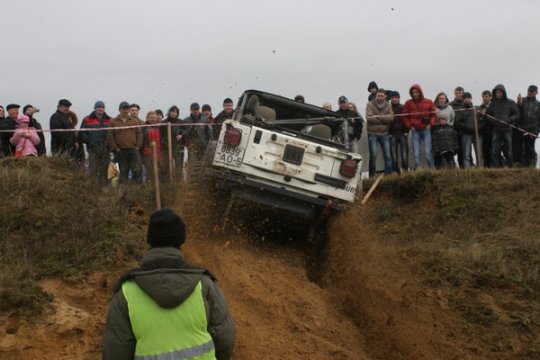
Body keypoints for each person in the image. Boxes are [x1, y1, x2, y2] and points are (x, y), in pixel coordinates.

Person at [102, 208, 235, 360]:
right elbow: (225, 339)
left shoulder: (126, 292)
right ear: (180, 240)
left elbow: (115, 351)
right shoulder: (204, 284)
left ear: (151, 240)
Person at [108, 101, 143, 183]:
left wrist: (138, 146)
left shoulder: (134, 121)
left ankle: (136, 190)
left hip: (133, 150)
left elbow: (139, 134)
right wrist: (116, 148)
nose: (126, 111)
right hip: (121, 151)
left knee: (137, 171)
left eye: (127, 109)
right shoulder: (113, 121)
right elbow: (110, 136)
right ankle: (124, 191)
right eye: (124, 109)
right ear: (120, 110)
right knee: (123, 172)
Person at [402, 84, 436, 169]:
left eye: (416, 92)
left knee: (428, 152)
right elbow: (404, 116)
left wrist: (431, 124)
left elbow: (433, 115)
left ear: (420, 92)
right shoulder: (408, 103)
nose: (415, 94)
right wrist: (409, 126)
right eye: (413, 92)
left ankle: (432, 169)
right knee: (416, 153)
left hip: (426, 130)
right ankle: (418, 171)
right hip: (415, 131)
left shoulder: (428, 101)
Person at [487, 84, 520, 167]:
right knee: (495, 150)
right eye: (497, 92)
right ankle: (496, 168)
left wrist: (509, 120)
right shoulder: (492, 104)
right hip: (496, 130)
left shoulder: (511, 102)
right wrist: (494, 121)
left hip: (507, 129)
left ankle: (510, 166)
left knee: (508, 150)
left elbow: (517, 114)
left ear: (504, 92)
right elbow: (487, 116)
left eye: (500, 92)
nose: (498, 94)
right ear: (495, 93)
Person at [80, 101, 112, 185]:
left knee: (105, 169)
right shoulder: (87, 119)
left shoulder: (110, 120)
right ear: (95, 108)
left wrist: (110, 144)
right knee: (93, 168)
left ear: (104, 109)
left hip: (106, 148)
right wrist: (90, 142)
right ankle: (93, 188)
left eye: (102, 107)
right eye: (98, 107)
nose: (100, 109)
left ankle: (104, 188)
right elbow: (82, 133)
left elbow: (113, 133)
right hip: (93, 148)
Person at [365, 89, 393, 176]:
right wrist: (384, 118)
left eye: (382, 96)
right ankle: (372, 175)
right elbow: (369, 118)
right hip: (372, 133)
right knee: (373, 156)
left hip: (384, 134)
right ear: (375, 96)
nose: (380, 97)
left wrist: (377, 117)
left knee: (388, 156)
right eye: (378, 96)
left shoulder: (388, 106)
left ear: (385, 96)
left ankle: (388, 175)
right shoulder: (370, 104)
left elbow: (391, 118)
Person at [454, 92, 484, 169]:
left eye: (468, 98)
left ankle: (481, 169)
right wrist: (465, 127)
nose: (466, 99)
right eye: (465, 98)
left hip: (477, 134)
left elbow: (483, 120)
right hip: (466, 134)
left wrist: (479, 127)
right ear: (463, 99)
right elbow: (457, 122)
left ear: (471, 98)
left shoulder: (477, 108)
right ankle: (468, 170)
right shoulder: (461, 110)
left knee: (479, 153)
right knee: (466, 154)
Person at [515, 85, 540, 167]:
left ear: (536, 92)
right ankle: (520, 165)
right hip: (520, 128)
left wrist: (537, 130)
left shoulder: (538, 104)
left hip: (532, 130)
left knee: (529, 149)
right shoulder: (523, 100)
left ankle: (528, 166)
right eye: (529, 91)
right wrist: (518, 104)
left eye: (532, 91)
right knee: (518, 148)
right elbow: (517, 113)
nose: (530, 92)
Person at [433, 92, 456, 168]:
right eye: (439, 98)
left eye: (443, 98)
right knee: (440, 158)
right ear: (437, 99)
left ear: (446, 99)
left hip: (448, 131)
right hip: (438, 131)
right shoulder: (434, 108)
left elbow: (453, 118)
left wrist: (450, 126)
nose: (441, 100)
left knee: (450, 158)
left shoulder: (450, 108)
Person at [388, 91, 409, 174]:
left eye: (396, 97)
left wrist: (407, 131)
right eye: (393, 98)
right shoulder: (388, 108)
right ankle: (396, 172)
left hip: (402, 133)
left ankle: (405, 171)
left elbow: (407, 119)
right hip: (392, 134)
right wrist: (388, 132)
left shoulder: (403, 107)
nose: (394, 99)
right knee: (393, 156)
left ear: (399, 98)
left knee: (404, 155)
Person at [142, 111, 163, 183]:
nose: (152, 119)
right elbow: (142, 140)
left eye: (154, 117)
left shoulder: (159, 127)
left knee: (159, 171)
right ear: (147, 118)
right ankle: (149, 186)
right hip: (147, 152)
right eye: (151, 117)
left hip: (158, 152)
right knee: (149, 171)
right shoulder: (143, 127)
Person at [479, 90, 493, 167]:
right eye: (483, 97)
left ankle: (495, 165)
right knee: (485, 150)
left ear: (490, 97)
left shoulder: (494, 106)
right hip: (484, 131)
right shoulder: (480, 107)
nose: (485, 98)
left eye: (487, 96)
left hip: (493, 131)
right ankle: (486, 166)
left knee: (494, 150)